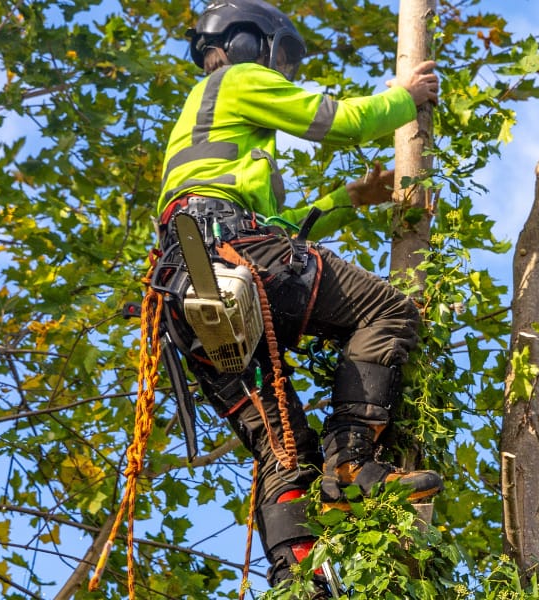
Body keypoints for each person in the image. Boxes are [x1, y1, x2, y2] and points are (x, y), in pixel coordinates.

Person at [150, 0, 441, 593]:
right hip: (231, 252)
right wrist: (405, 96)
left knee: (281, 445)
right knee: (386, 309)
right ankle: (353, 460)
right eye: (278, 56)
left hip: (187, 288)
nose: (280, 71)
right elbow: (340, 120)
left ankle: (299, 579)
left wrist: (348, 198)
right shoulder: (234, 78)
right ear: (249, 43)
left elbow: (277, 225)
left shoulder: (203, 130)